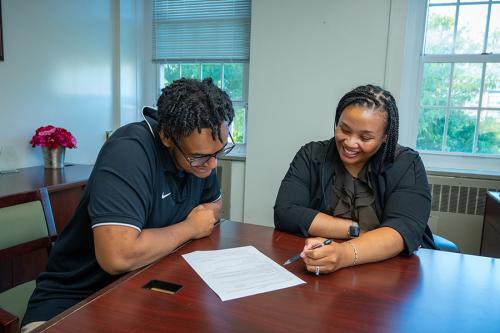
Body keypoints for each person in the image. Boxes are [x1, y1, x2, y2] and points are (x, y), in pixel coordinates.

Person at [21, 78, 235, 331]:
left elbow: (212, 210)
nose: (213, 166)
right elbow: (118, 256)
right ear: (167, 137)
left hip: (139, 289)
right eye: (199, 157)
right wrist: (190, 227)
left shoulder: (201, 157)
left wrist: (192, 220)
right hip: (75, 303)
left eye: (219, 152)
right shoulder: (129, 153)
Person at [274, 84, 436, 276]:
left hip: (389, 275)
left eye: (365, 137)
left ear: (385, 137)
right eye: (344, 129)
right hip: (323, 263)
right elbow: (286, 212)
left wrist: (343, 253)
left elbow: (402, 230)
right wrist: (356, 230)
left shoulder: (406, 164)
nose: (350, 143)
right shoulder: (311, 155)